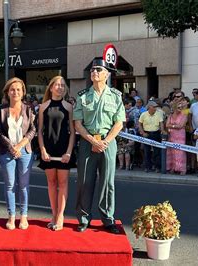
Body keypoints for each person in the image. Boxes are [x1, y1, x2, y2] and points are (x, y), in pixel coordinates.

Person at [73, 58, 125, 234]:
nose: (94, 72)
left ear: (107, 74)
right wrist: (93, 141)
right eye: (92, 70)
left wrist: (105, 142)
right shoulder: (82, 96)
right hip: (88, 143)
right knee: (84, 182)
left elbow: (119, 123)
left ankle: (108, 219)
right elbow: (78, 124)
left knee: (107, 182)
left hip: (107, 143)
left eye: (98, 70)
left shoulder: (116, 96)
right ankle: (83, 218)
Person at [0, 77, 36, 230]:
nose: (15, 92)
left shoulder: (29, 109)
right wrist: (11, 147)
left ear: (23, 92)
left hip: (25, 151)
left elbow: (33, 129)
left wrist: (20, 145)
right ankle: (11, 216)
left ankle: (24, 216)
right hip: (6, 152)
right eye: (12, 89)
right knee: (10, 185)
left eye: (18, 89)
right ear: (7, 92)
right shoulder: (1, 110)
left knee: (24, 185)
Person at [37, 76, 76, 231]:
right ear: (51, 87)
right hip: (48, 150)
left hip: (63, 150)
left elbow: (72, 132)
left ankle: (60, 216)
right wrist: (42, 150)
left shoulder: (68, 107)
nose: (60, 87)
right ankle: (53, 214)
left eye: (62, 85)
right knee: (51, 183)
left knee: (63, 183)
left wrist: (68, 152)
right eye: (57, 85)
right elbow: (39, 131)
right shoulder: (43, 106)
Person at [139, 101, 165, 172]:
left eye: (156, 107)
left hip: (156, 133)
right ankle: (147, 167)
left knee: (157, 151)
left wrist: (162, 130)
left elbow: (161, 123)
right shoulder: (143, 114)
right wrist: (143, 132)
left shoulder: (159, 114)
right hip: (146, 133)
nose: (155, 108)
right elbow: (140, 124)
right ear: (149, 107)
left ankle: (157, 167)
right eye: (154, 107)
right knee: (147, 151)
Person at [166, 100, 188, 175]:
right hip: (172, 136)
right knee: (172, 152)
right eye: (179, 107)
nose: (180, 108)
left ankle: (182, 169)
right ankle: (173, 167)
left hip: (180, 136)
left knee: (180, 152)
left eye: (181, 107)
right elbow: (166, 125)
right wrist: (175, 126)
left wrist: (172, 125)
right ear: (174, 107)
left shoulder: (184, 115)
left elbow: (181, 126)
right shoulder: (170, 116)